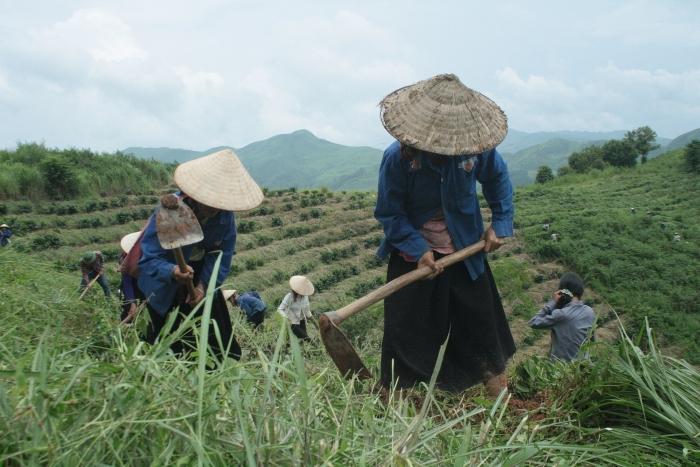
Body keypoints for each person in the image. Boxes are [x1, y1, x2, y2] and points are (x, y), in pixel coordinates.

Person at [374, 74, 516, 396]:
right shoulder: (397, 158)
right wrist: (418, 248)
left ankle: (503, 408)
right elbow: (390, 213)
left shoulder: (474, 147)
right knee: (404, 333)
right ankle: (392, 405)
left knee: (482, 327)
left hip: (466, 251)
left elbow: (498, 179)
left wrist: (501, 222)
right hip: (414, 256)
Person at [137, 149, 264, 362]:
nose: (215, 208)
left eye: (220, 203)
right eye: (209, 202)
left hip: (200, 275)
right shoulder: (171, 211)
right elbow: (148, 258)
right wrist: (173, 271)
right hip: (165, 280)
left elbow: (221, 256)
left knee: (218, 344)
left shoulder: (225, 217)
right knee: (160, 343)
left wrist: (203, 287)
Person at [528, 272, 595, 363]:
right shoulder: (589, 312)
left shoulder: (561, 314)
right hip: (585, 368)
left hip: (562, 373)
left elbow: (533, 321)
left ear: (562, 292)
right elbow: (591, 339)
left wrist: (552, 303)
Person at [277, 276, 315, 342]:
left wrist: (315, 323)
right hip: (293, 322)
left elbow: (307, 311)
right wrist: (287, 319)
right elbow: (279, 309)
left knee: (304, 341)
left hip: (302, 321)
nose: (304, 293)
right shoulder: (290, 296)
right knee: (307, 339)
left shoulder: (305, 297)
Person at [118, 231, 145, 323]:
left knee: (144, 309)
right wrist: (132, 303)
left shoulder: (147, 256)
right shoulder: (125, 259)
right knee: (128, 309)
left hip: (144, 282)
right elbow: (127, 283)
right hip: (132, 284)